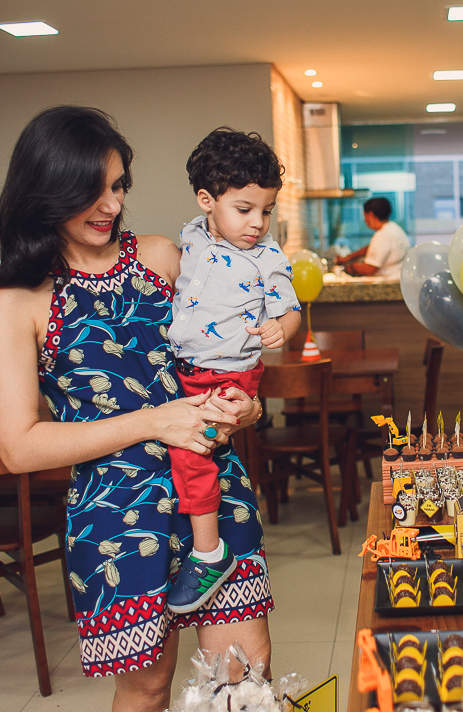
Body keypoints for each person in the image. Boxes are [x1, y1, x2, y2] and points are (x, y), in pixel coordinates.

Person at [0, 106, 270, 712]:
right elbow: (18, 445)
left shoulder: (164, 258)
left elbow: (225, 356)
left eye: (118, 187)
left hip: (213, 495)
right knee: (147, 687)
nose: (111, 205)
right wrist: (154, 421)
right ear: (47, 187)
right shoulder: (14, 300)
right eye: (94, 188)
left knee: (243, 677)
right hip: (115, 517)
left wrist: (246, 406)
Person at [166, 128, 301, 614]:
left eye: (266, 211)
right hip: (189, 368)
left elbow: (292, 309)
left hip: (228, 376)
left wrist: (281, 328)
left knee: (192, 453)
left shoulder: (267, 256)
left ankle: (208, 552)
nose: (258, 223)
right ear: (207, 200)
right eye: (245, 209)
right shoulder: (190, 236)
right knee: (184, 447)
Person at [335, 196, 410, 278]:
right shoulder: (393, 228)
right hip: (398, 279)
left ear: (371, 215)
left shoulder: (383, 235)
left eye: (365, 216)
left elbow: (369, 269)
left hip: (388, 281)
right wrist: (349, 257)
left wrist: (350, 267)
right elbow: (372, 248)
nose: (364, 220)